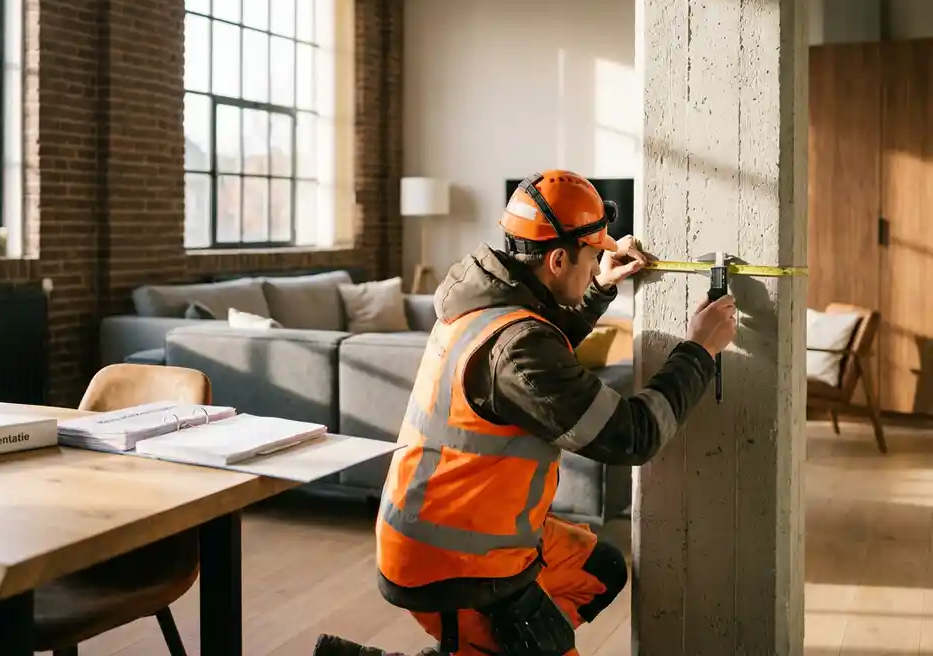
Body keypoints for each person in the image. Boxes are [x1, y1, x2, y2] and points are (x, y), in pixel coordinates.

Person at [314, 171, 737, 656]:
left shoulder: (487, 303)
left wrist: (597, 287)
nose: (600, 260)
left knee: (600, 571)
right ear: (558, 258)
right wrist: (699, 350)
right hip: (452, 558)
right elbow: (631, 436)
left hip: (454, 528)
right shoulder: (518, 347)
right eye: (594, 254)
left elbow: (541, 364)